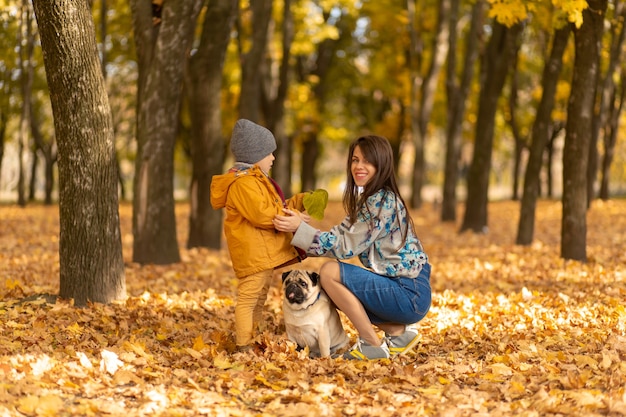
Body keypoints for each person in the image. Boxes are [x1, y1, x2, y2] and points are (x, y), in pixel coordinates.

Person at [273, 135, 431, 360]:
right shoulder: (371, 199)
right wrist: (300, 226)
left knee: (329, 273)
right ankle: (397, 333)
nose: (359, 166)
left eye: (367, 161)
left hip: (409, 292)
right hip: (405, 289)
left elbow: (343, 247)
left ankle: (371, 345)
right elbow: (340, 234)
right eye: (355, 160)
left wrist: (300, 229)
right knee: (330, 286)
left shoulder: (380, 203)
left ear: (381, 163)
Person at [211, 119, 310, 351]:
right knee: (248, 299)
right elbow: (263, 215)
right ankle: (244, 344)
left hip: (262, 255)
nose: (273, 158)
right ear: (256, 154)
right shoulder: (243, 184)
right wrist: (293, 216)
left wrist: (302, 201)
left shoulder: (256, 181)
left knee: (259, 298)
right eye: (269, 154)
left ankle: (254, 336)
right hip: (253, 255)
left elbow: (276, 206)